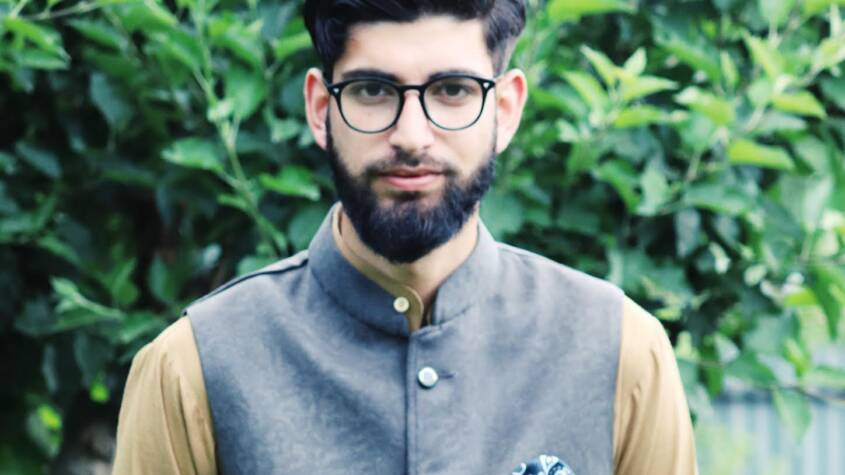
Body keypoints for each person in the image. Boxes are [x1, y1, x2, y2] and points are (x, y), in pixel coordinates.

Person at [112, 1, 698, 473]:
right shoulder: (194, 367)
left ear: (506, 109)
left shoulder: (621, 351)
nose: (412, 136)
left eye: (452, 90)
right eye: (373, 91)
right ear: (319, 109)